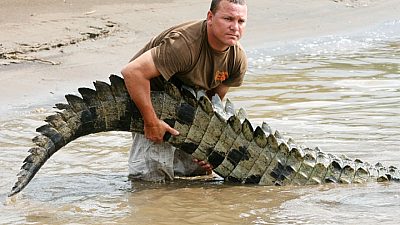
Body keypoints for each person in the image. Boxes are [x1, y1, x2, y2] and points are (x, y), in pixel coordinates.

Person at [121, 0, 248, 182]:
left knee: (198, 173)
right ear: (210, 17)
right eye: (228, 19)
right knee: (150, 182)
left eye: (241, 21)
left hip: (188, 99)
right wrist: (151, 122)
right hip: (152, 94)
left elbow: (212, 104)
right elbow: (132, 73)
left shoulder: (237, 59)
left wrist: (209, 148)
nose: (235, 27)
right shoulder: (184, 44)